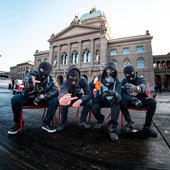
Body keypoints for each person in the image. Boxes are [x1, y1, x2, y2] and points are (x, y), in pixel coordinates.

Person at [8, 62, 58, 134]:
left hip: (41, 99)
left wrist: (43, 96)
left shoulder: (50, 79)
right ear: (39, 69)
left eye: (46, 71)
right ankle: (18, 124)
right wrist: (30, 81)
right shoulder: (33, 74)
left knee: (55, 100)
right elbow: (25, 79)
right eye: (42, 70)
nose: (43, 73)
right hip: (29, 97)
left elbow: (55, 91)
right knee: (15, 100)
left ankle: (46, 123)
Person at [121, 65, 157, 137]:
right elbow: (122, 94)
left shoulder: (139, 79)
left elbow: (143, 86)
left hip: (140, 100)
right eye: (127, 75)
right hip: (130, 100)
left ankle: (147, 127)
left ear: (134, 72)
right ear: (125, 75)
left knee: (152, 102)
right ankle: (129, 122)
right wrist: (133, 99)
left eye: (131, 73)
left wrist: (136, 88)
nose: (130, 76)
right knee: (121, 102)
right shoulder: (124, 81)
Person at [89, 62, 121, 141]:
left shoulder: (116, 81)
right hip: (100, 99)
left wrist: (114, 93)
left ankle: (112, 127)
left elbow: (119, 96)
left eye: (113, 70)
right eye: (109, 69)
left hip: (110, 100)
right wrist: (93, 96)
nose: (110, 71)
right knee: (94, 107)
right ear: (105, 70)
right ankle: (100, 119)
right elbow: (89, 86)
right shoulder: (99, 78)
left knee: (117, 102)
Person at [56, 65, 92, 132]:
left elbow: (89, 94)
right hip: (69, 98)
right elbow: (62, 93)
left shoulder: (83, 80)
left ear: (79, 76)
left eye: (75, 77)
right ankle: (63, 123)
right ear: (67, 77)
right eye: (71, 77)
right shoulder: (65, 82)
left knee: (89, 102)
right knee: (64, 102)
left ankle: (82, 121)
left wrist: (80, 101)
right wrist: (62, 99)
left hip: (78, 97)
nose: (73, 81)